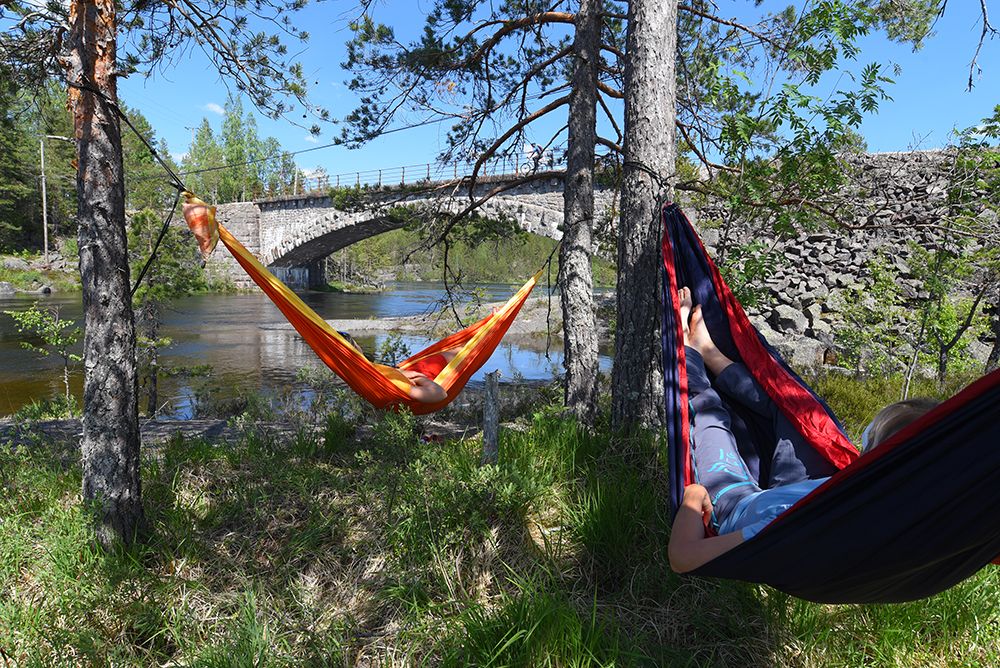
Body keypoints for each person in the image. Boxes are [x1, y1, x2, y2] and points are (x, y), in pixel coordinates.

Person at [667, 287, 939, 573]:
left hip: (740, 505)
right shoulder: (904, 500)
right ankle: (711, 353)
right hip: (816, 489)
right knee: (798, 411)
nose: (861, 444)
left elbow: (684, 558)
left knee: (711, 418)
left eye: (869, 442)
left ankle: (691, 353)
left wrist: (694, 495)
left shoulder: (799, 527)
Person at [337, 331, 456, 404]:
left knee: (461, 348)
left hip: (410, 370)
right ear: (355, 350)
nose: (359, 346)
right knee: (463, 351)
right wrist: (419, 378)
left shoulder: (364, 371)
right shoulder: (394, 385)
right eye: (356, 343)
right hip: (428, 374)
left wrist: (400, 372)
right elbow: (440, 394)